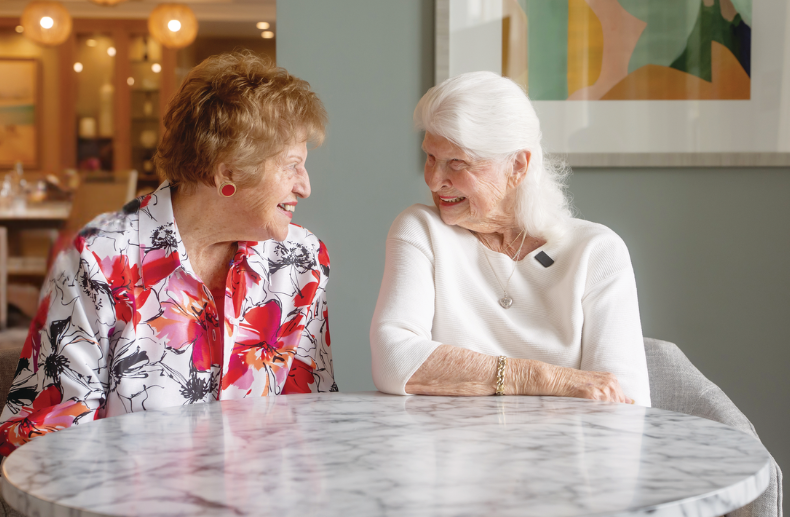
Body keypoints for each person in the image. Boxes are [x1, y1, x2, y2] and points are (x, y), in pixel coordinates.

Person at [0, 51, 336, 456]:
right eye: (292, 165)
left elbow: (310, 416)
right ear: (228, 171)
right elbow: (53, 442)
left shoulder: (301, 260)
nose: (305, 187)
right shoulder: (98, 259)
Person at [370, 71, 650, 405]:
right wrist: (541, 378)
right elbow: (393, 359)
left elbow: (624, 400)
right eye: (430, 157)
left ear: (517, 165)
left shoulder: (597, 252)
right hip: (450, 440)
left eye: (456, 163)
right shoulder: (422, 230)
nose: (433, 180)